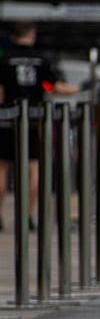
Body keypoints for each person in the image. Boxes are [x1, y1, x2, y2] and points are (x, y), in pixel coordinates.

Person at [0, 22, 80, 231]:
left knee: (2, 168)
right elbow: (55, 87)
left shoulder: (4, 58)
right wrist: (78, 89)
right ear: (32, 35)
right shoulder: (41, 59)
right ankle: (26, 216)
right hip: (34, 119)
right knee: (33, 167)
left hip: (6, 117)